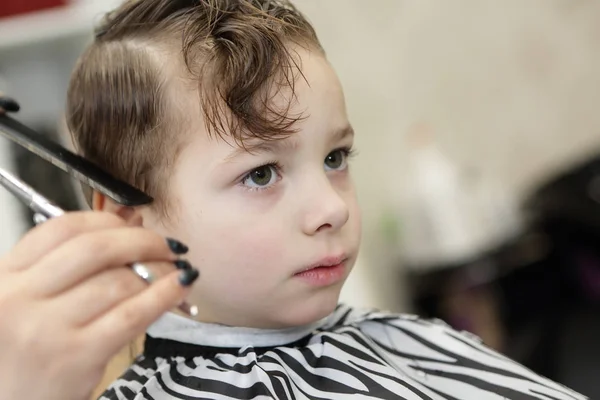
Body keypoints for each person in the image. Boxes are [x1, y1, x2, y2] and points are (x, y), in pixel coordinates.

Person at [0, 1, 588, 399]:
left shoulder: (405, 340)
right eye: (261, 174)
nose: (331, 208)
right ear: (128, 223)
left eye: (335, 159)